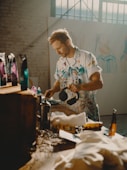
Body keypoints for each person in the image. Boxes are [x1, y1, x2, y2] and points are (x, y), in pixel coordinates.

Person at [45, 28, 103, 122]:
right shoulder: (60, 62)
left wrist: (80, 87)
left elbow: (98, 83)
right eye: (55, 49)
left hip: (86, 112)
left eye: (59, 48)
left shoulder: (86, 57)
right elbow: (60, 81)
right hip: (68, 111)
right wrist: (53, 90)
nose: (57, 52)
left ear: (68, 42)